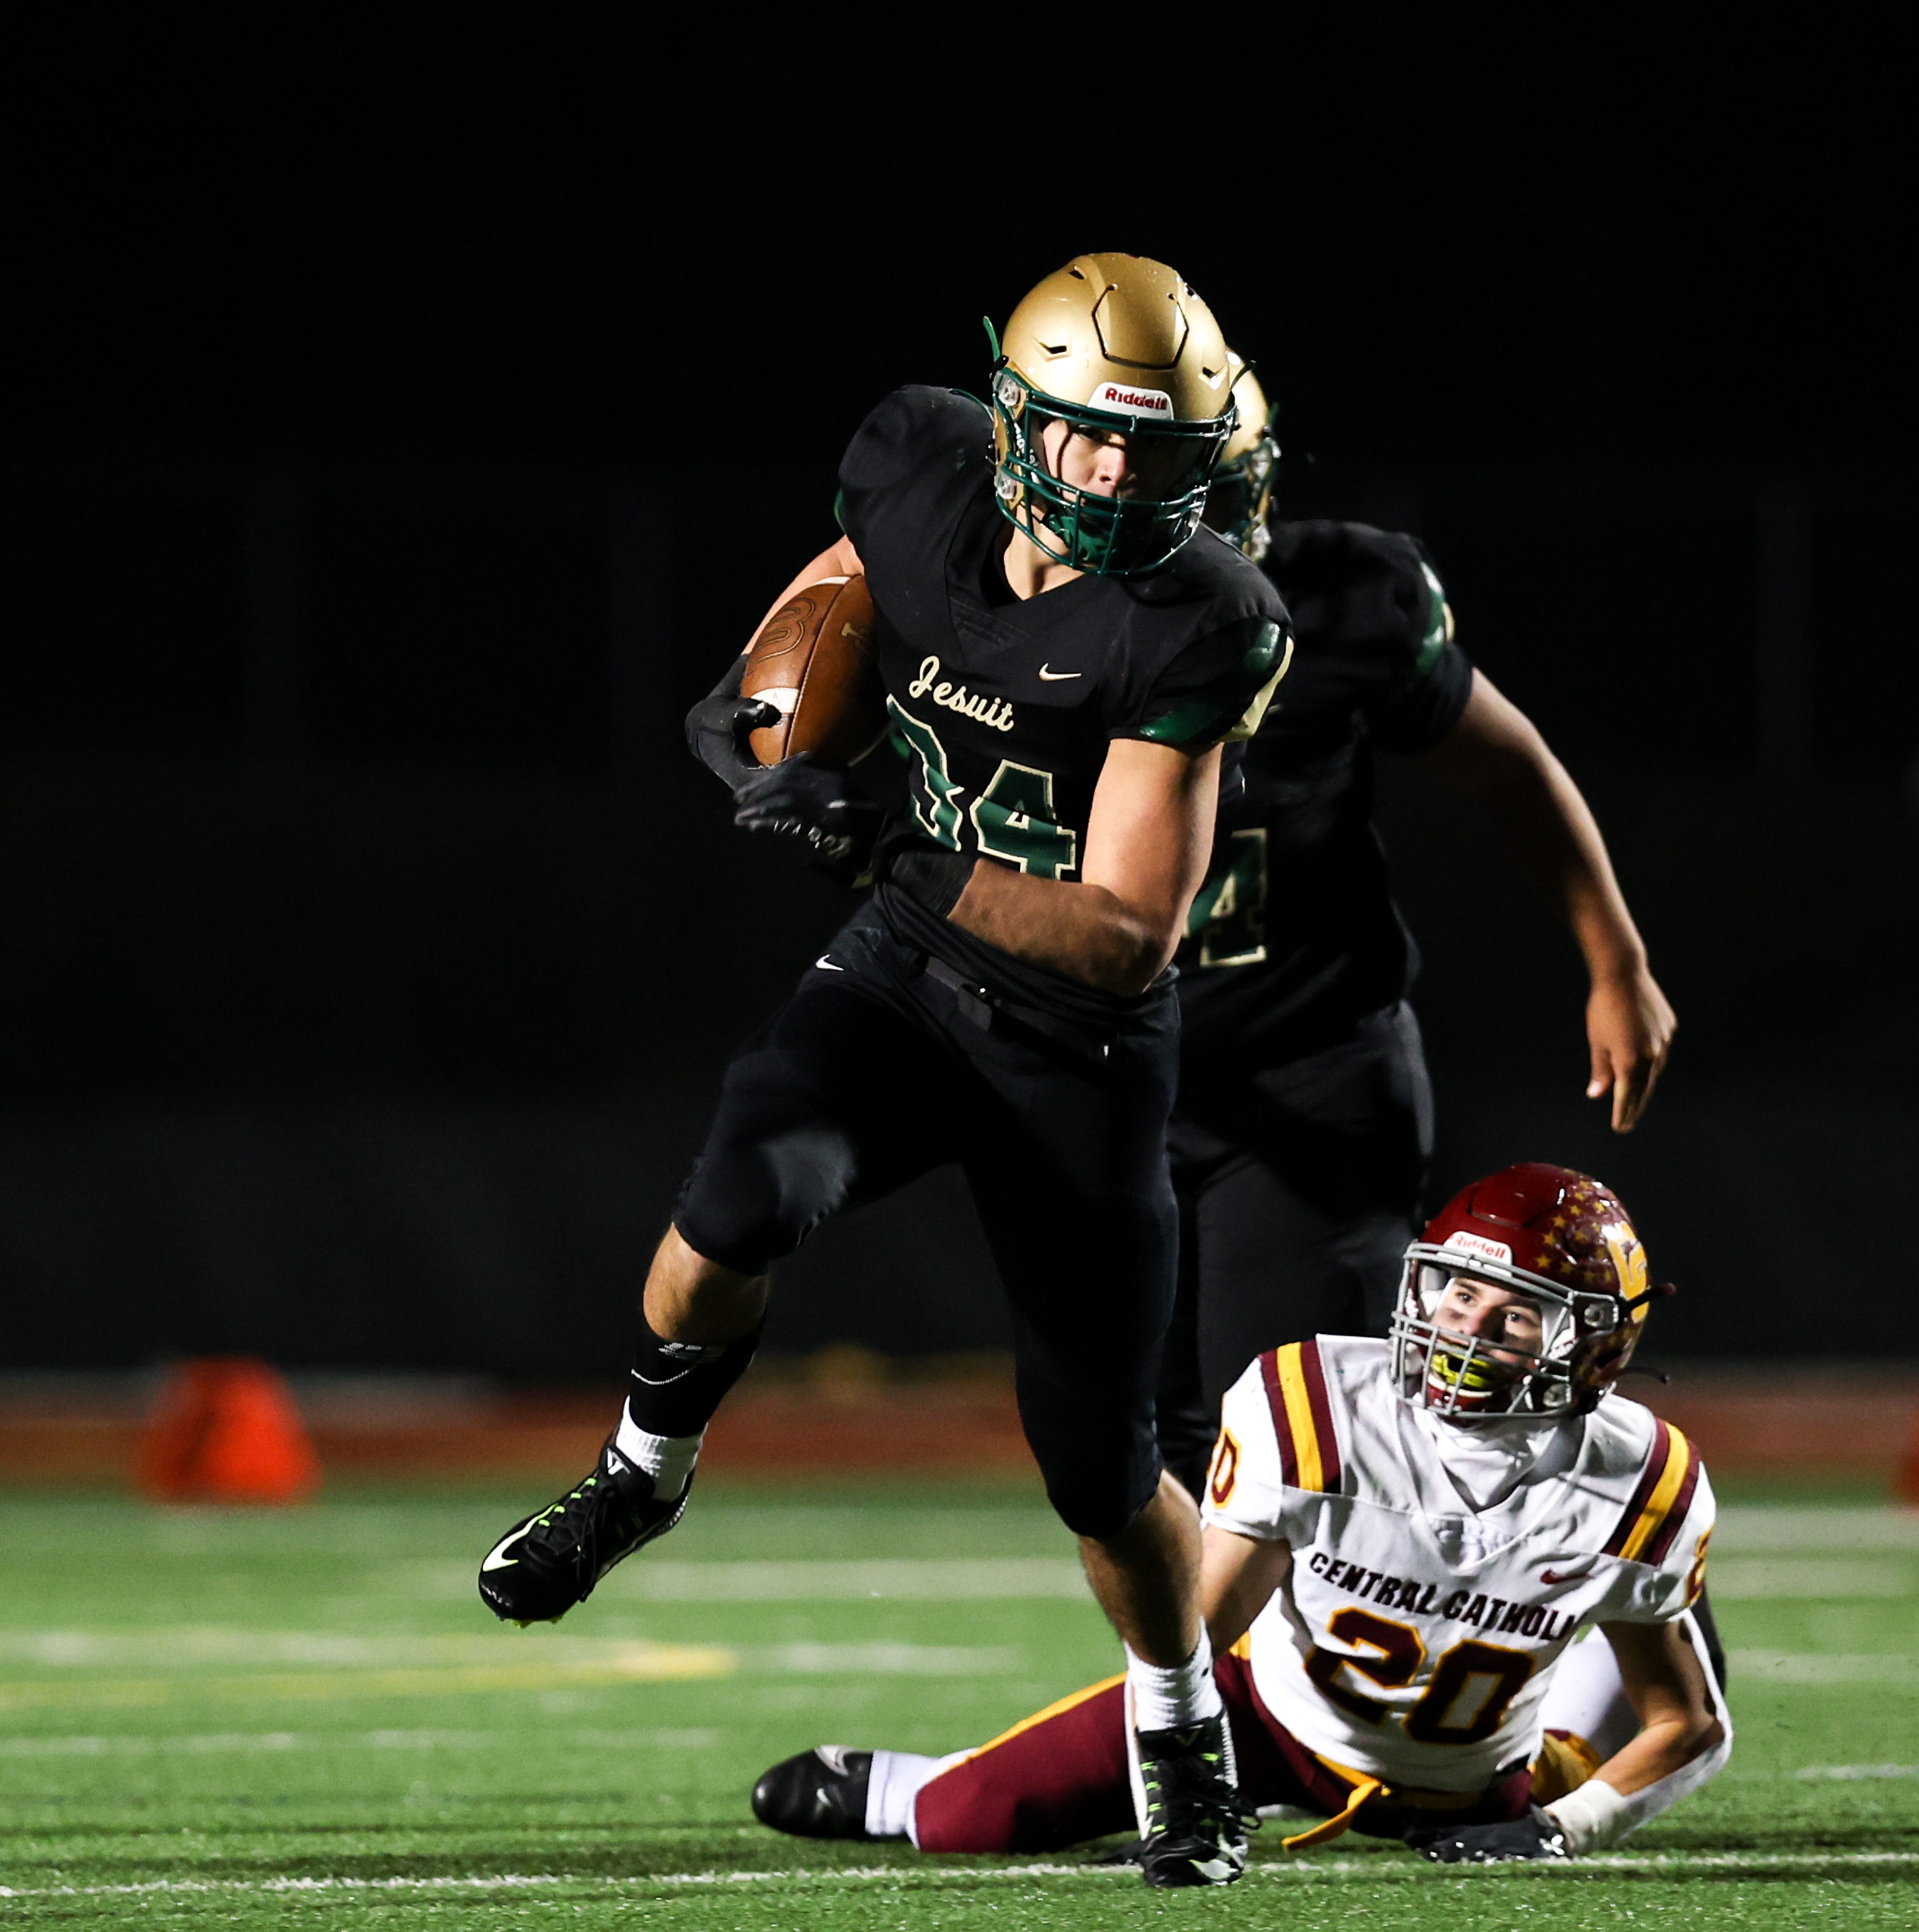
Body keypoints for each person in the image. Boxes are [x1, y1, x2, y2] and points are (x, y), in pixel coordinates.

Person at [477, 254, 1294, 1887]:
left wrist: (877, 849)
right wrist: (760, 689)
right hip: (908, 982)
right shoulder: (921, 459)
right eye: (1088, 440)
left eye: (1156, 453)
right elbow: (860, 570)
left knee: (1098, 1452)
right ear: (1015, 420)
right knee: (738, 1194)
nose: (1120, 476)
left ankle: (1178, 1718)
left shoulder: (1201, 619)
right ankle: (641, 1480)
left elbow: (1130, 931)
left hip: (1079, 1043)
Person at [750, 1162, 1729, 1869]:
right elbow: (1194, 1639)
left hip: (1489, 1776)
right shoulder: (1321, 1401)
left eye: (1514, 1314)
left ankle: (1640, 1620)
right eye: (1457, 1290)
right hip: (1267, 1718)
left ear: (1597, 1347)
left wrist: (1565, 1826)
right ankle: (904, 1786)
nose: (1466, 1327)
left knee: (1632, 1655)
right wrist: (1182, 1784)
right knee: (965, 1814)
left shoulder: (1643, 1481)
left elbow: (1687, 1724)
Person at [1158, 359, 1679, 1497]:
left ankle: (1355, 1665)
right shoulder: (1005, 610)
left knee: (1300, 1434)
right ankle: (1193, 1680)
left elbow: (1509, 768)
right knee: (1135, 1449)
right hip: (1103, 1072)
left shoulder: (1338, 606)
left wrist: (1614, 958)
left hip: (1305, 1056)